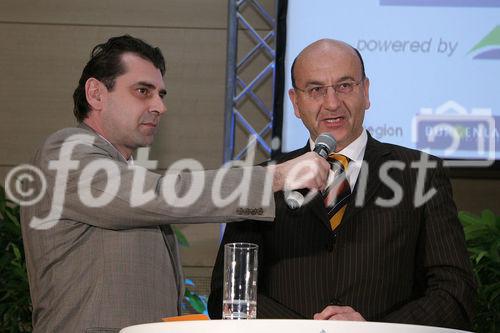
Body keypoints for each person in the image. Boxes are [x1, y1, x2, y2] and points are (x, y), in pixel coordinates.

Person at [20, 35, 331, 333]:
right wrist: (276, 177)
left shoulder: (126, 172)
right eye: (143, 91)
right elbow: (160, 195)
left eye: (161, 94)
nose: (160, 106)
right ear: (96, 94)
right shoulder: (64, 152)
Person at [208, 39, 476, 330]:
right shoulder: (264, 181)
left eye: (345, 85)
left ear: (366, 92)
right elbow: (226, 293)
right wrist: (310, 330)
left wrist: (372, 330)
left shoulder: (420, 174)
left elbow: (455, 292)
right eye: (315, 90)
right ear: (296, 103)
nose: (332, 103)